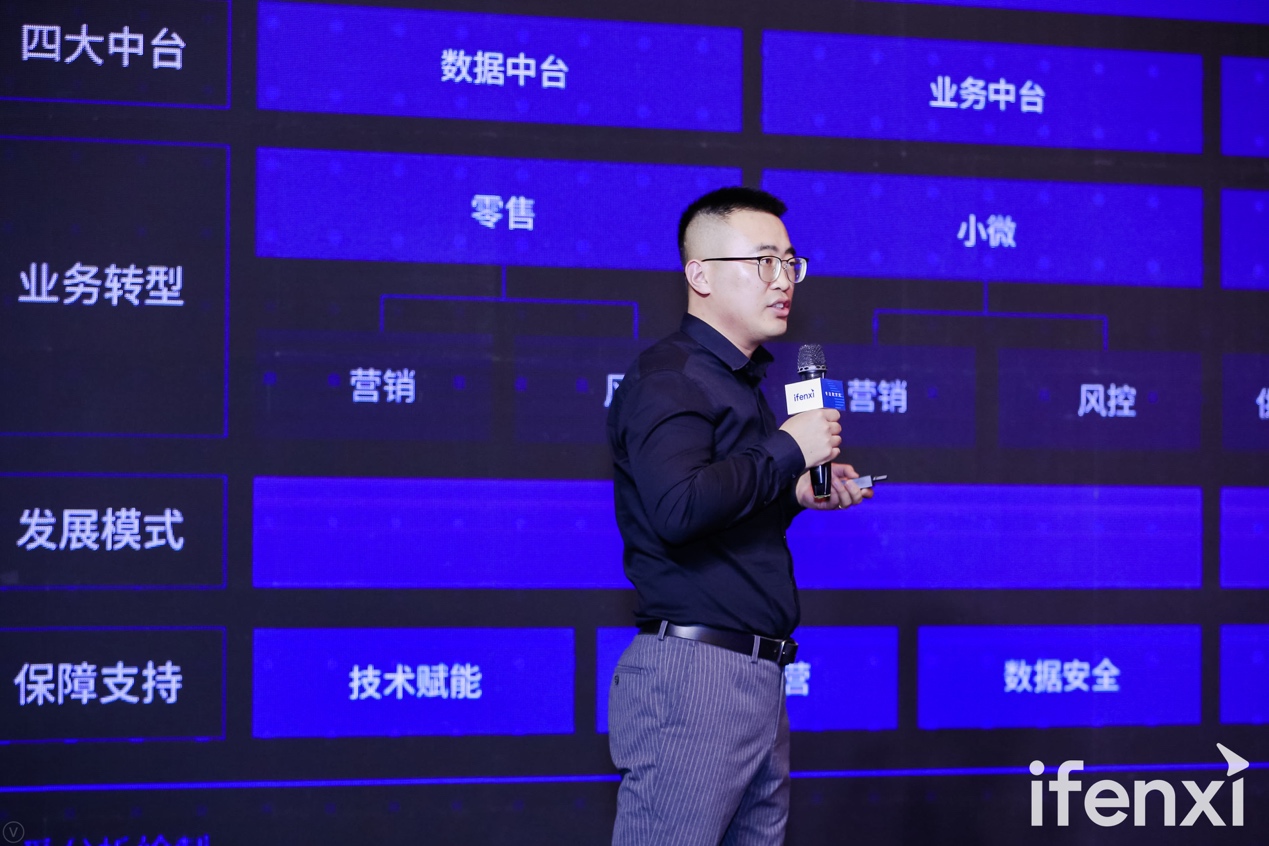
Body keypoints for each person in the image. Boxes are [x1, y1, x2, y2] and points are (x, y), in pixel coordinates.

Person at [605, 186, 874, 846]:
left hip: (754, 676)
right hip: (696, 677)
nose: (783, 280)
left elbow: (721, 506)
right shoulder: (670, 376)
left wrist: (793, 492)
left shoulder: (737, 381)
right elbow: (677, 508)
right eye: (763, 261)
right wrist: (787, 448)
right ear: (699, 275)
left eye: (790, 262)